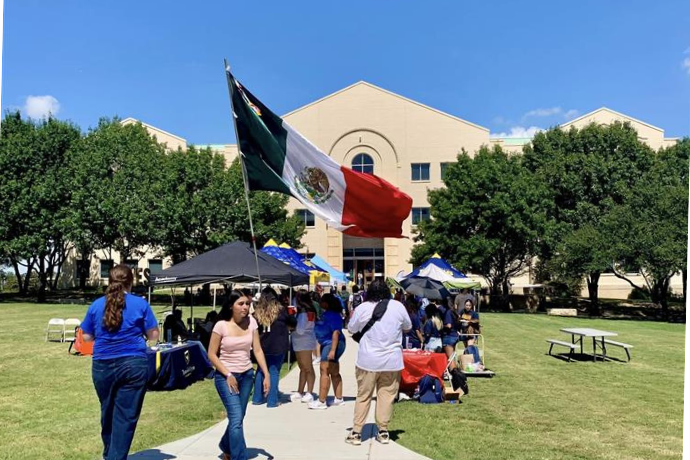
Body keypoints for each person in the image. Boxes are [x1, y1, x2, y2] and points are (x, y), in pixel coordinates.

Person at [81, 264, 159, 460]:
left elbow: (87, 337)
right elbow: (153, 335)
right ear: (131, 282)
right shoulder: (140, 304)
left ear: (110, 281)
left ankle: (110, 454)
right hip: (133, 364)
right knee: (125, 416)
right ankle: (114, 457)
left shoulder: (96, 305)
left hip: (102, 365)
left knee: (107, 411)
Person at [346, 280, 411, 446]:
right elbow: (407, 327)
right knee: (386, 397)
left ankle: (356, 432)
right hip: (392, 360)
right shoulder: (398, 306)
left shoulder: (362, 308)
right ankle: (383, 431)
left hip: (367, 360)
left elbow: (352, 329)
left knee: (363, 396)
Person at [208, 290, 270, 460]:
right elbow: (212, 354)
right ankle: (238, 457)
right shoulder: (221, 325)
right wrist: (228, 374)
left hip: (247, 375)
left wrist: (266, 374)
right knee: (236, 418)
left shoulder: (252, 323)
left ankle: (226, 445)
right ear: (231, 306)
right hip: (226, 377)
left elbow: (257, 350)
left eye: (247, 304)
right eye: (240, 304)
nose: (245, 307)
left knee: (239, 416)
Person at [252, 292, 296, 408]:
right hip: (278, 345)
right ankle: (272, 400)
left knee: (261, 371)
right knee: (274, 371)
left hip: (262, 346)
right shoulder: (281, 311)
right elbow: (293, 323)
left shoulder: (257, 313)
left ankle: (257, 398)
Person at [309, 293, 346, 409]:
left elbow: (336, 333)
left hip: (332, 344)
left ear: (327, 303)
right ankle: (339, 398)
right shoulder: (325, 315)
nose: (320, 303)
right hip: (328, 344)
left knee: (324, 371)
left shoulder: (334, 316)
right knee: (334, 371)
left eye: (322, 301)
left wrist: (333, 350)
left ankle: (321, 401)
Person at [289, 293, 318, 403]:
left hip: (304, 341)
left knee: (308, 367)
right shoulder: (303, 313)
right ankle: (300, 391)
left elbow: (300, 329)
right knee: (302, 367)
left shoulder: (303, 314)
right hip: (299, 341)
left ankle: (309, 392)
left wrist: (291, 326)